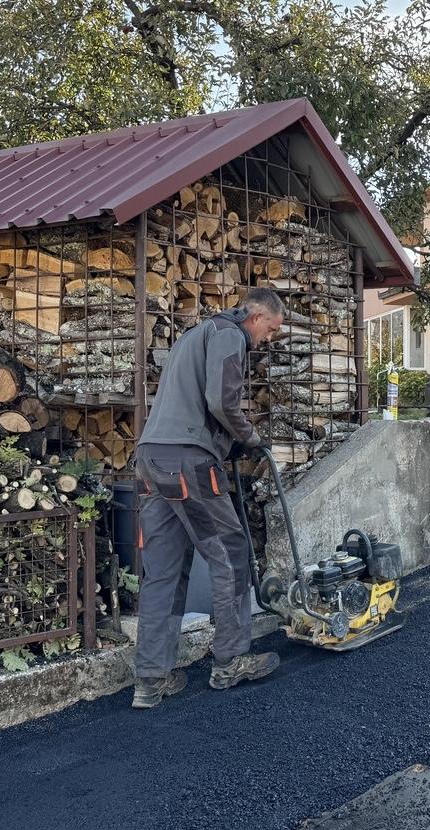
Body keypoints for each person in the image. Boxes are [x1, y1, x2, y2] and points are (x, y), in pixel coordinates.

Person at [130, 287, 285, 709]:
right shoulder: (229, 334)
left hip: (151, 460)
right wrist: (250, 437)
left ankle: (150, 680)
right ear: (256, 317)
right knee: (231, 553)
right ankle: (231, 660)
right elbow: (220, 401)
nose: (268, 339)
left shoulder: (193, 335)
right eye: (271, 330)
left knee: (162, 570)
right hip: (188, 463)